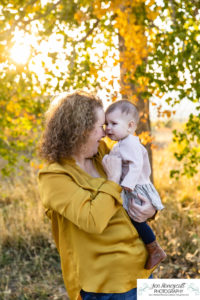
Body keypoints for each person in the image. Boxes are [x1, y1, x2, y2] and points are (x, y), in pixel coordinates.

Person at [38, 91, 158, 300]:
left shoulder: (100, 153)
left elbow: (132, 189)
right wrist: (112, 181)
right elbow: (93, 220)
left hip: (141, 269)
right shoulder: (54, 177)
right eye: (99, 127)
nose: (104, 134)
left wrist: (150, 210)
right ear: (80, 131)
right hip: (106, 287)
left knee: (189, 293)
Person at [104, 100, 167, 270]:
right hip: (131, 186)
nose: (108, 128)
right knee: (131, 218)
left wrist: (128, 184)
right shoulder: (122, 143)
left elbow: (136, 165)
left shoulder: (130, 143)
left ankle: (154, 248)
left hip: (135, 187)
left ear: (130, 126)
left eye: (113, 124)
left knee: (135, 218)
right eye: (106, 124)